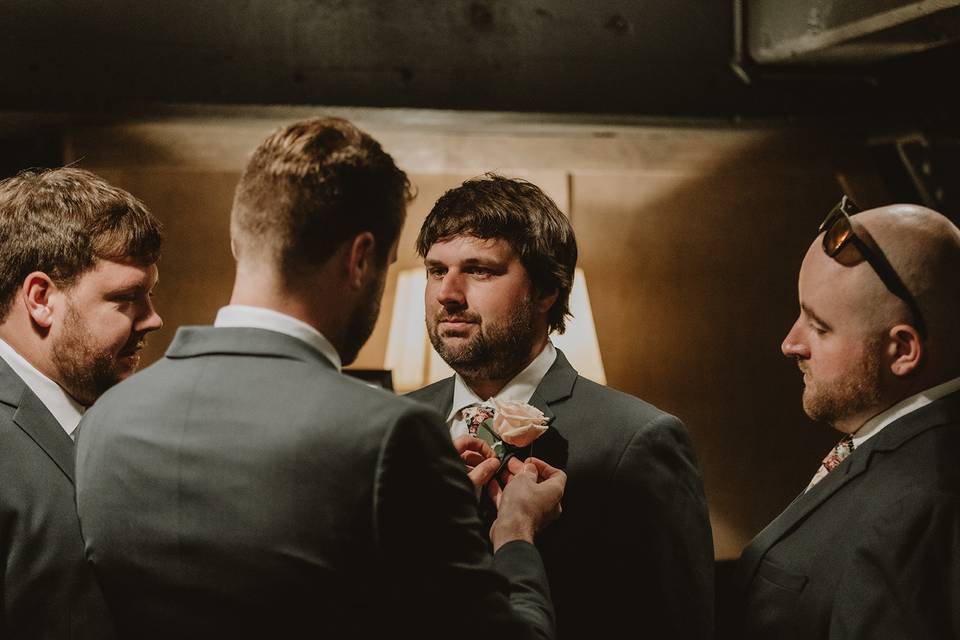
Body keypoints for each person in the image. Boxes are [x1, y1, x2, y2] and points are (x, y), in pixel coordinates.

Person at [74, 118, 566, 640]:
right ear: (360, 260)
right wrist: (515, 534)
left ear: (241, 240)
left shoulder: (102, 422)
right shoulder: (389, 437)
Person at [408, 174, 714, 638]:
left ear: (547, 289)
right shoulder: (399, 425)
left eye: (480, 270)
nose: (448, 294)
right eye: (436, 270)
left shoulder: (637, 440)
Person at [736, 198, 960, 638]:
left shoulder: (924, 505)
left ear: (902, 350)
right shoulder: (895, 449)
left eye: (819, 326)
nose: (790, 343)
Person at [0, 167, 163, 639]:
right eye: (127, 298)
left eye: (149, 295)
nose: (153, 319)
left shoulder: (112, 422)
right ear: (41, 298)